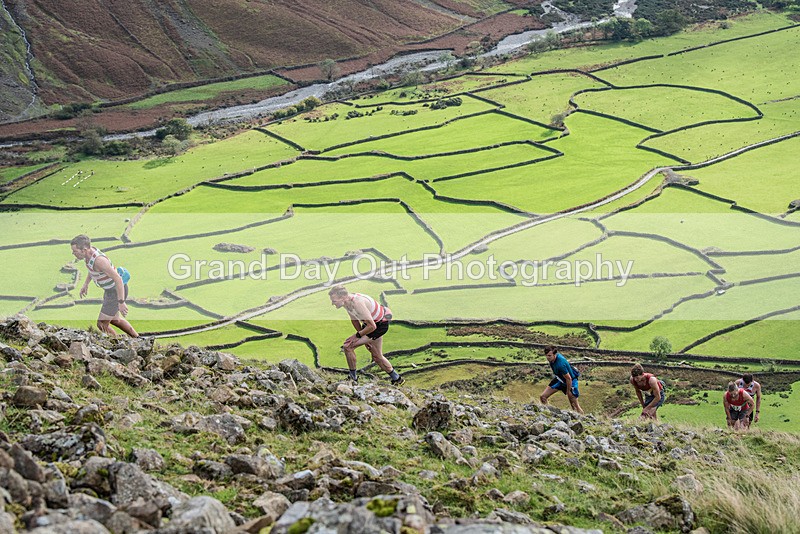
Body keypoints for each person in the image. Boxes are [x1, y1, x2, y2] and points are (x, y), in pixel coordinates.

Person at [329, 285, 403, 386]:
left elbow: (372, 326)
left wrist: (357, 336)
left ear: (342, 297)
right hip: (371, 324)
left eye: (334, 300)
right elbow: (354, 320)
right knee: (377, 356)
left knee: (348, 346)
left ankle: (353, 378)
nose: (332, 303)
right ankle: (397, 379)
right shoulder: (347, 302)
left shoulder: (357, 303)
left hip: (378, 325)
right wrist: (364, 339)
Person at [70, 235, 138, 338]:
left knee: (102, 324)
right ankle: (137, 338)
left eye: (75, 251)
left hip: (115, 291)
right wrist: (86, 284)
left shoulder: (100, 261)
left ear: (84, 250)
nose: (73, 254)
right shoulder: (89, 255)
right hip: (110, 291)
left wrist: (121, 302)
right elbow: (92, 270)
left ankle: (119, 343)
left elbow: (118, 279)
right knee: (116, 320)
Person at [540, 345, 583, 414]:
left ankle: (582, 419)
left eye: (549, 356)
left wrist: (568, 391)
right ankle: (548, 413)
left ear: (555, 355)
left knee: (575, 407)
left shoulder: (560, 364)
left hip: (570, 381)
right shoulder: (552, 359)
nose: (547, 357)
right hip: (559, 379)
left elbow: (568, 378)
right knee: (543, 397)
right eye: (546, 355)